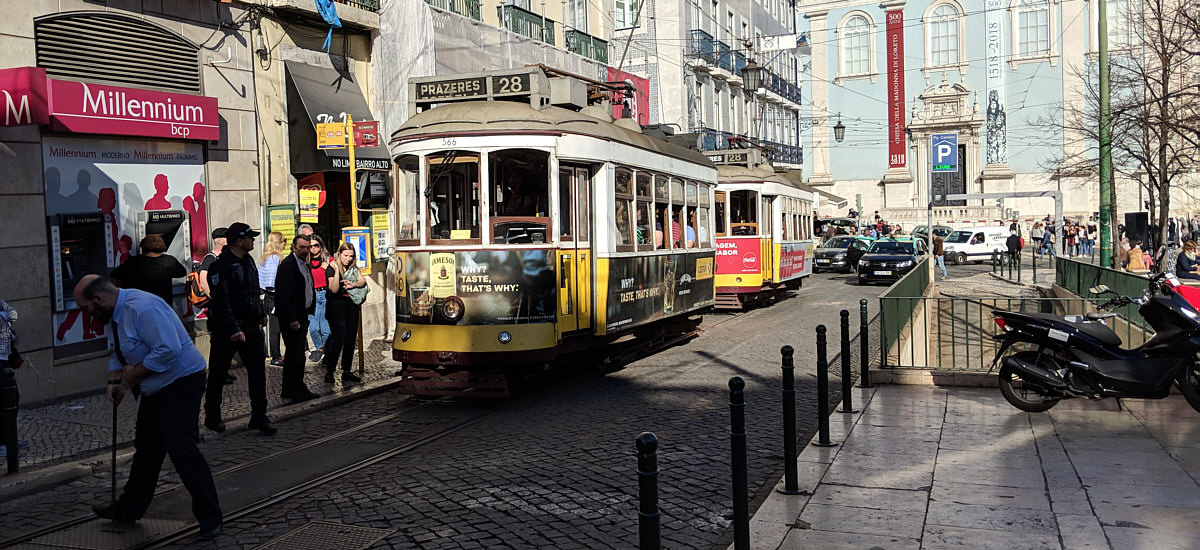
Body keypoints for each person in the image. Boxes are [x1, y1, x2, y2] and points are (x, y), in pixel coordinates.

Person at [74, 276, 222, 541]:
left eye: (86, 307)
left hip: (182, 382)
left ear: (98, 299)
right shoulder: (115, 312)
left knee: (182, 450)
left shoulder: (142, 308)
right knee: (147, 450)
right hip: (155, 387)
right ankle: (128, 509)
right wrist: (115, 380)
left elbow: (168, 349)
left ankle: (211, 517)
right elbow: (120, 351)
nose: (87, 313)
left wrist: (136, 374)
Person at [203, 223, 276, 435]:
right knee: (217, 373)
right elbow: (221, 301)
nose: (253, 241)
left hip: (251, 326)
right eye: (250, 237)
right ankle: (212, 416)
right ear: (239, 240)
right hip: (228, 329)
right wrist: (233, 328)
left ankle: (259, 416)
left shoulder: (249, 262)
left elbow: (254, 291)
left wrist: (260, 314)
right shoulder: (221, 266)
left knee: (257, 373)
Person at [275, 235, 319, 402]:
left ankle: (290, 388)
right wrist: (292, 319)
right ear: (294, 247)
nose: (305, 250)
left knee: (296, 353)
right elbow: (283, 295)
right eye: (301, 247)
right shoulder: (288, 266)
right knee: (296, 354)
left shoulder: (304, 264)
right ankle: (296, 389)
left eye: (307, 247)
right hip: (292, 317)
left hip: (303, 313)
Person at [322, 243, 367, 384]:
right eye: (345, 255)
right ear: (339, 254)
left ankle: (346, 370)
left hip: (351, 306)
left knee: (350, 338)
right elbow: (334, 289)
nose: (348, 259)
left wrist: (353, 284)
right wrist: (337, 271)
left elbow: (363, 281)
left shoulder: (353, 268)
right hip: (336, 306)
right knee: (339, 338)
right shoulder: (331, 268)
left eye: (351, 256)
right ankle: (330, 370)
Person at [110, 235, 187, 306]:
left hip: (139, 304)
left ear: (143, 247)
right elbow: (182, 272)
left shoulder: (134, 261)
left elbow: (114, 274)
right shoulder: (169, 261)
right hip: (163, 304)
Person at [258, 232, 286, 367]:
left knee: (270, 327)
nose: (286, 243)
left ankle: (270, 354)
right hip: (274, 297)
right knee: (275, 328)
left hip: (266, 297)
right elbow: (273, 281)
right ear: (280, 243)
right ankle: (276, 356)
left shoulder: (264, 258)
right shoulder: (275, 259)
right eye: (284, 241)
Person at [307, 236, 331, 363]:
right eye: (310, 246)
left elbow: (337, 273)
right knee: (314, 328)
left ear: (321, 246)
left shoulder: (328, 259)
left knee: (325, 328)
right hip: (312, 296)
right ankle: (319, 349)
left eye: (316, 245)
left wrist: (329, 268)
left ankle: (327, 354)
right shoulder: (306, 261)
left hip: (325, 294)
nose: (313, 248)